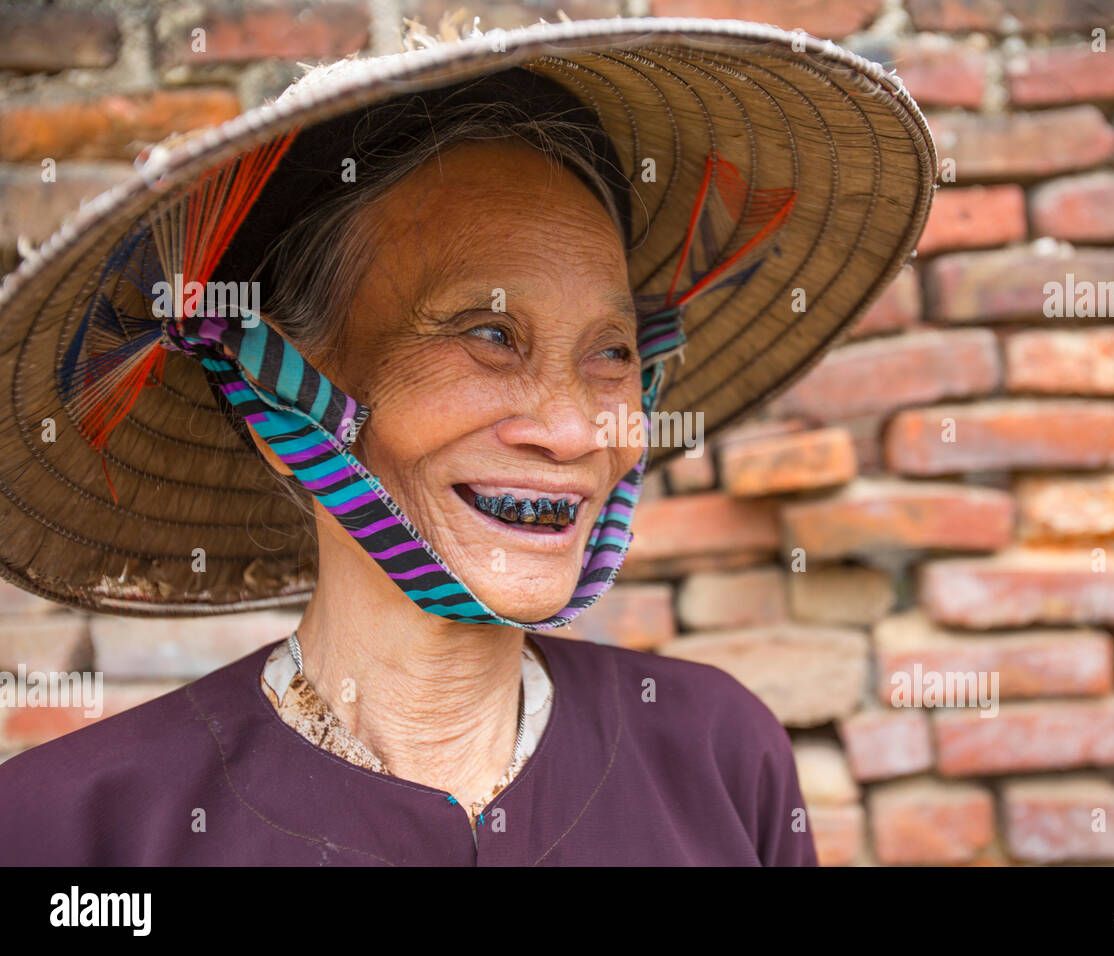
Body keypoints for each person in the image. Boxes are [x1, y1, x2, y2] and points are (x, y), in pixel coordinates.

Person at [0, 17, 935, 865]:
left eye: (610, 353)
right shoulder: (75, 831)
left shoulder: (721, 758)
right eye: (488, 336)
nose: (574, 432)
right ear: (279, 398)